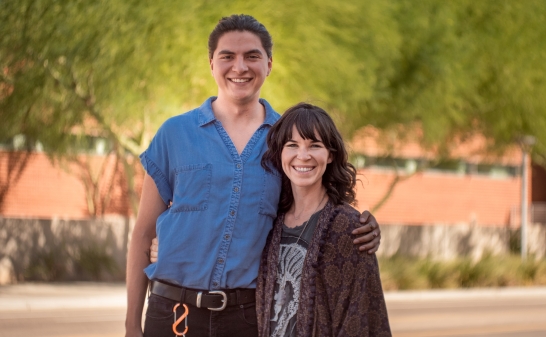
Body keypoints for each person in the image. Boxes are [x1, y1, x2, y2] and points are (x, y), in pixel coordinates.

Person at [125, 14, 381, 337]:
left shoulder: (286, 142)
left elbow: (314, 207)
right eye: (228, 56)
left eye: (252, 56)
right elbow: (142, 234)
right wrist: (131, 324)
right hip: (173, 315)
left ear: (269, 64)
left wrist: (361, 225)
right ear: (211, 64)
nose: (240, 67)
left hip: (246, 320)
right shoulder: (174, 134)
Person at [256, 103, 391, 337]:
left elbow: (361, 316)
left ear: (330, 155)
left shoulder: (349, 228)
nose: (303, 155)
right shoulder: (268, 222)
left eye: (314, 145)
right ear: (280, 154)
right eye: (292, 145)